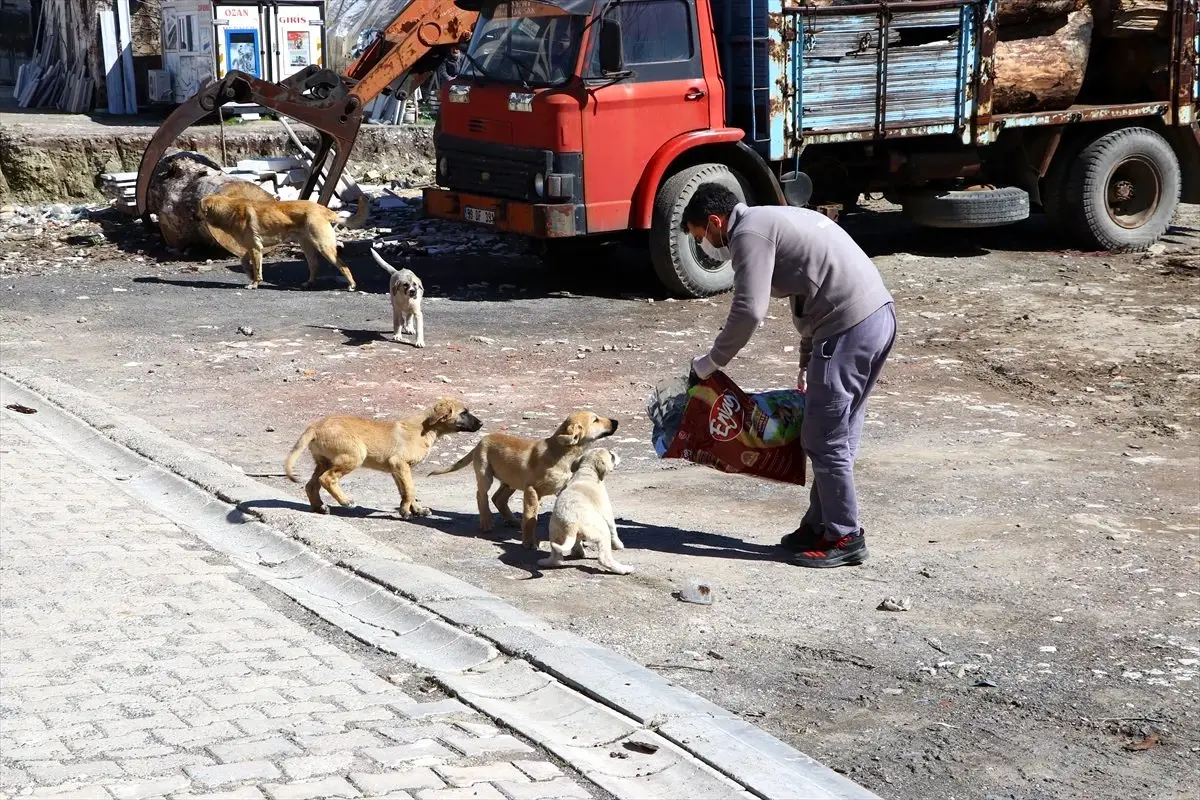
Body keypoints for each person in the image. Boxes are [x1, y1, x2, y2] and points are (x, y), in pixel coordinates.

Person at [682, 183, 896, 568]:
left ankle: (845, 535)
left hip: (849, 326)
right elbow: (810, 289)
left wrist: (709, 364)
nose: (707, 245)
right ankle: (820, 524)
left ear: (715, 222)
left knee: (824, 437)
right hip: (873, 317)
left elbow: (749, 311)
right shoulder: (770, 219)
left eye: (702, 236)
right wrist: (807, 357)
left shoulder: (748, 233)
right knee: (836, 433)